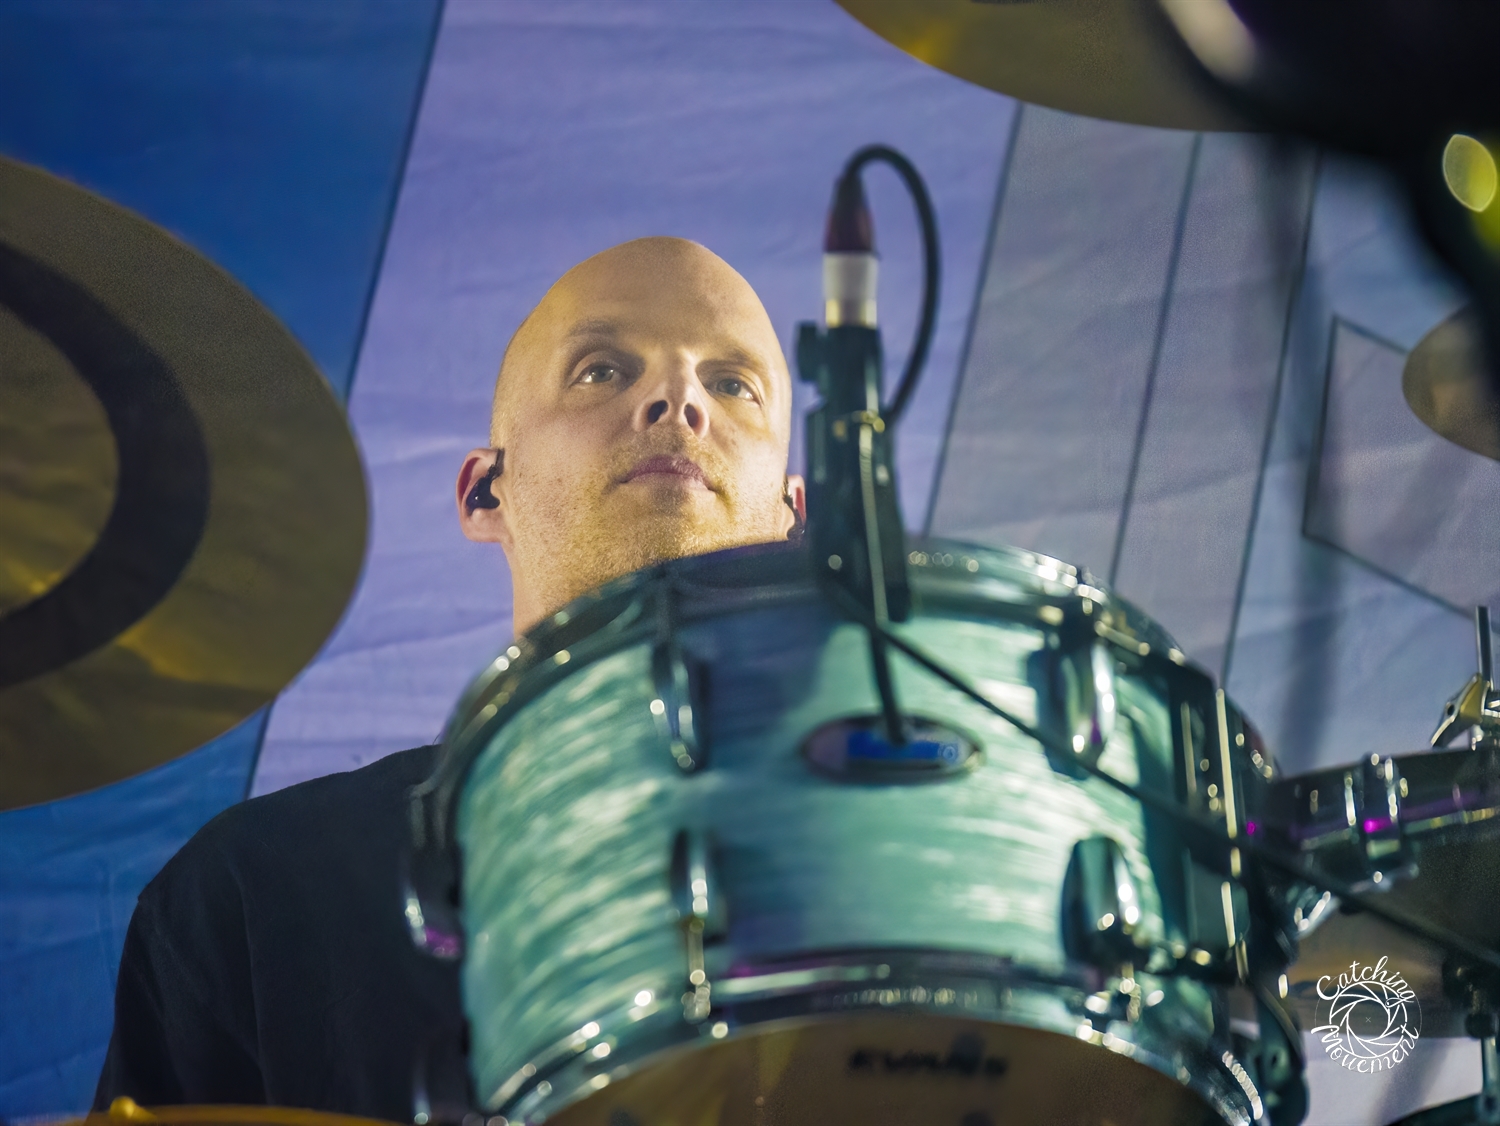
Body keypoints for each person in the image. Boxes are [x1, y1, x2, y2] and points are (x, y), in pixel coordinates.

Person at [93, 237, 807, 1120]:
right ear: (484, 493)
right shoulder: (256, 897)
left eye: (733, 384)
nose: (678, 399)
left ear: (793, 514)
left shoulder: (912, 888)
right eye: (602, 370)